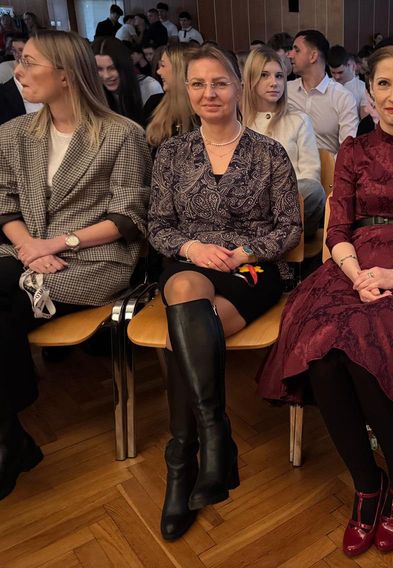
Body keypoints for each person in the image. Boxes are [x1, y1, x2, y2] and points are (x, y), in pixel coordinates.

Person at [258, 43, 393, 557]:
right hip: (354, 263)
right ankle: (366, 482)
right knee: (320, 351)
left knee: (362, 347)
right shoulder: (354, 151)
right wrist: (358, 274)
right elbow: (337, 229)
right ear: (370, 92)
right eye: (384, 84)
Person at [148, 44, 301, 540]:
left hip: (250, 268)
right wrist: (192, 246)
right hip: (190, 263)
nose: (209, 93)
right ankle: (214, 435)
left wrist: (243, 252)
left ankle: (182, 458)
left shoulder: (268, 152)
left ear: (238, 88)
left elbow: (289, 227)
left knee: (182, 335)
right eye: (198, 84)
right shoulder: (172, 153)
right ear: (186, 91)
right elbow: (158, 226)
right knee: (184, 287)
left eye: (219, 83)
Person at [0, 30, 150, 502]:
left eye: (29, 62)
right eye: (19, 61)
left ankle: (11, 439)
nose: (18, 71)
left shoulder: (121, 134)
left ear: (65, 75)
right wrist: (29, 246)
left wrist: (56, 243)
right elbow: (4, 202)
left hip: (92, 260)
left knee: (4, 293)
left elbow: (128, 217)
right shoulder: (14, 133)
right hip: (24, 254)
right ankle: (9, 437)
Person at [243, 45, 325, 236]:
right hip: (250, 210)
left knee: (313, 189)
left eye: (279, 76)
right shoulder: (238, 123)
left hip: (293, 205)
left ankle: (273, 238)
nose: (274, 83)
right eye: (264, 75)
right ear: (250, 79)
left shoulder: (299, 120)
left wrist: (281, 194)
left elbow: (311, 174)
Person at [287, 30, 358, 155]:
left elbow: (347, 150)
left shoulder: (342, 97)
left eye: (296, 50)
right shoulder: (286, 91)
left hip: (327, 165)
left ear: (313, 56)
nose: (290, 55)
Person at [93, 37, 163, 125]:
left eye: (112, 68)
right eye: (99, 69)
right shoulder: (94, 92)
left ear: (124, 66)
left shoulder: (149, 87)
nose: (106, 75)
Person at [145, 42, 196, 144]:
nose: (158, 72)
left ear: (179, 69)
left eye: (163, 66)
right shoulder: (154, 103)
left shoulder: (203, 110)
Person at [329, 45, 368, 118]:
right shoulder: (326, 84)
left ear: (350, 65)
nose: (337, 77)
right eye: (333, 72)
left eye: (340, 72)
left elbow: (365, 119)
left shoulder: (362, 88)